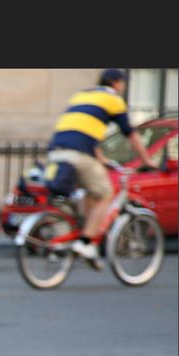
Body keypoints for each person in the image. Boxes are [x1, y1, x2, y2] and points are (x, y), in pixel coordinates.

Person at [46, 68, 157, 269]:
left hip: (57, 152)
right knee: (105, 194)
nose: (123, 87)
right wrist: (147, 160)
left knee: (92, 191)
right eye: (122, 83)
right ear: (116, 83)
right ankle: (86, 242)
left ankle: (84, 234)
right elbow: (130, 133)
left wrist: (102, 159)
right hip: (78, 154)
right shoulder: (113, 98)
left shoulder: (83, 95)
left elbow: (84, 132)